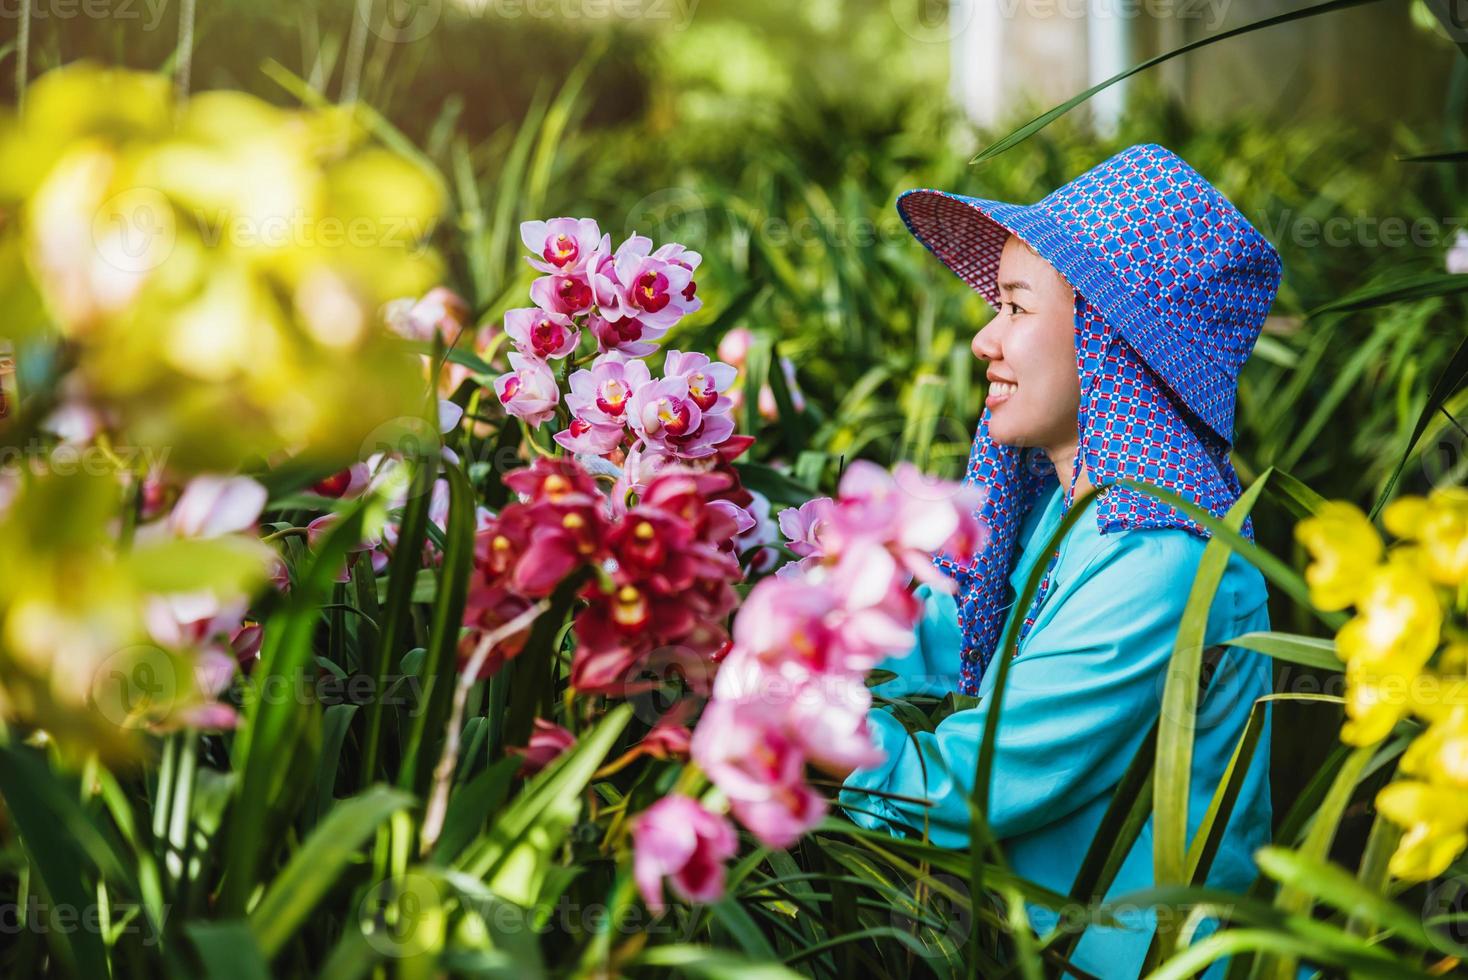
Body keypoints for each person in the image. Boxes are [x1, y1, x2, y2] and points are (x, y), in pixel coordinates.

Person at [826, 144, 1282, 977]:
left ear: (1107, 341)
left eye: (1014, 307)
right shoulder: (1073, 514)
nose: (982, 339)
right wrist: (773, 620)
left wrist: (794, 717)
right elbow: (946, 629)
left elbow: (963, 791)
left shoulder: (1159, 563)